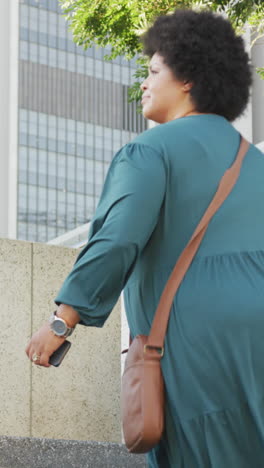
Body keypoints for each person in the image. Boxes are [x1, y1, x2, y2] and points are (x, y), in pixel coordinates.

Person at [26, 9, 264, 468]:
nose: (143, 82)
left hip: (198, 336)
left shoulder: (149, 150)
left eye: (154, 71)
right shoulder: (255, 165)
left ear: (190, 79)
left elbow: (116, 239)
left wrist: (61, 322)